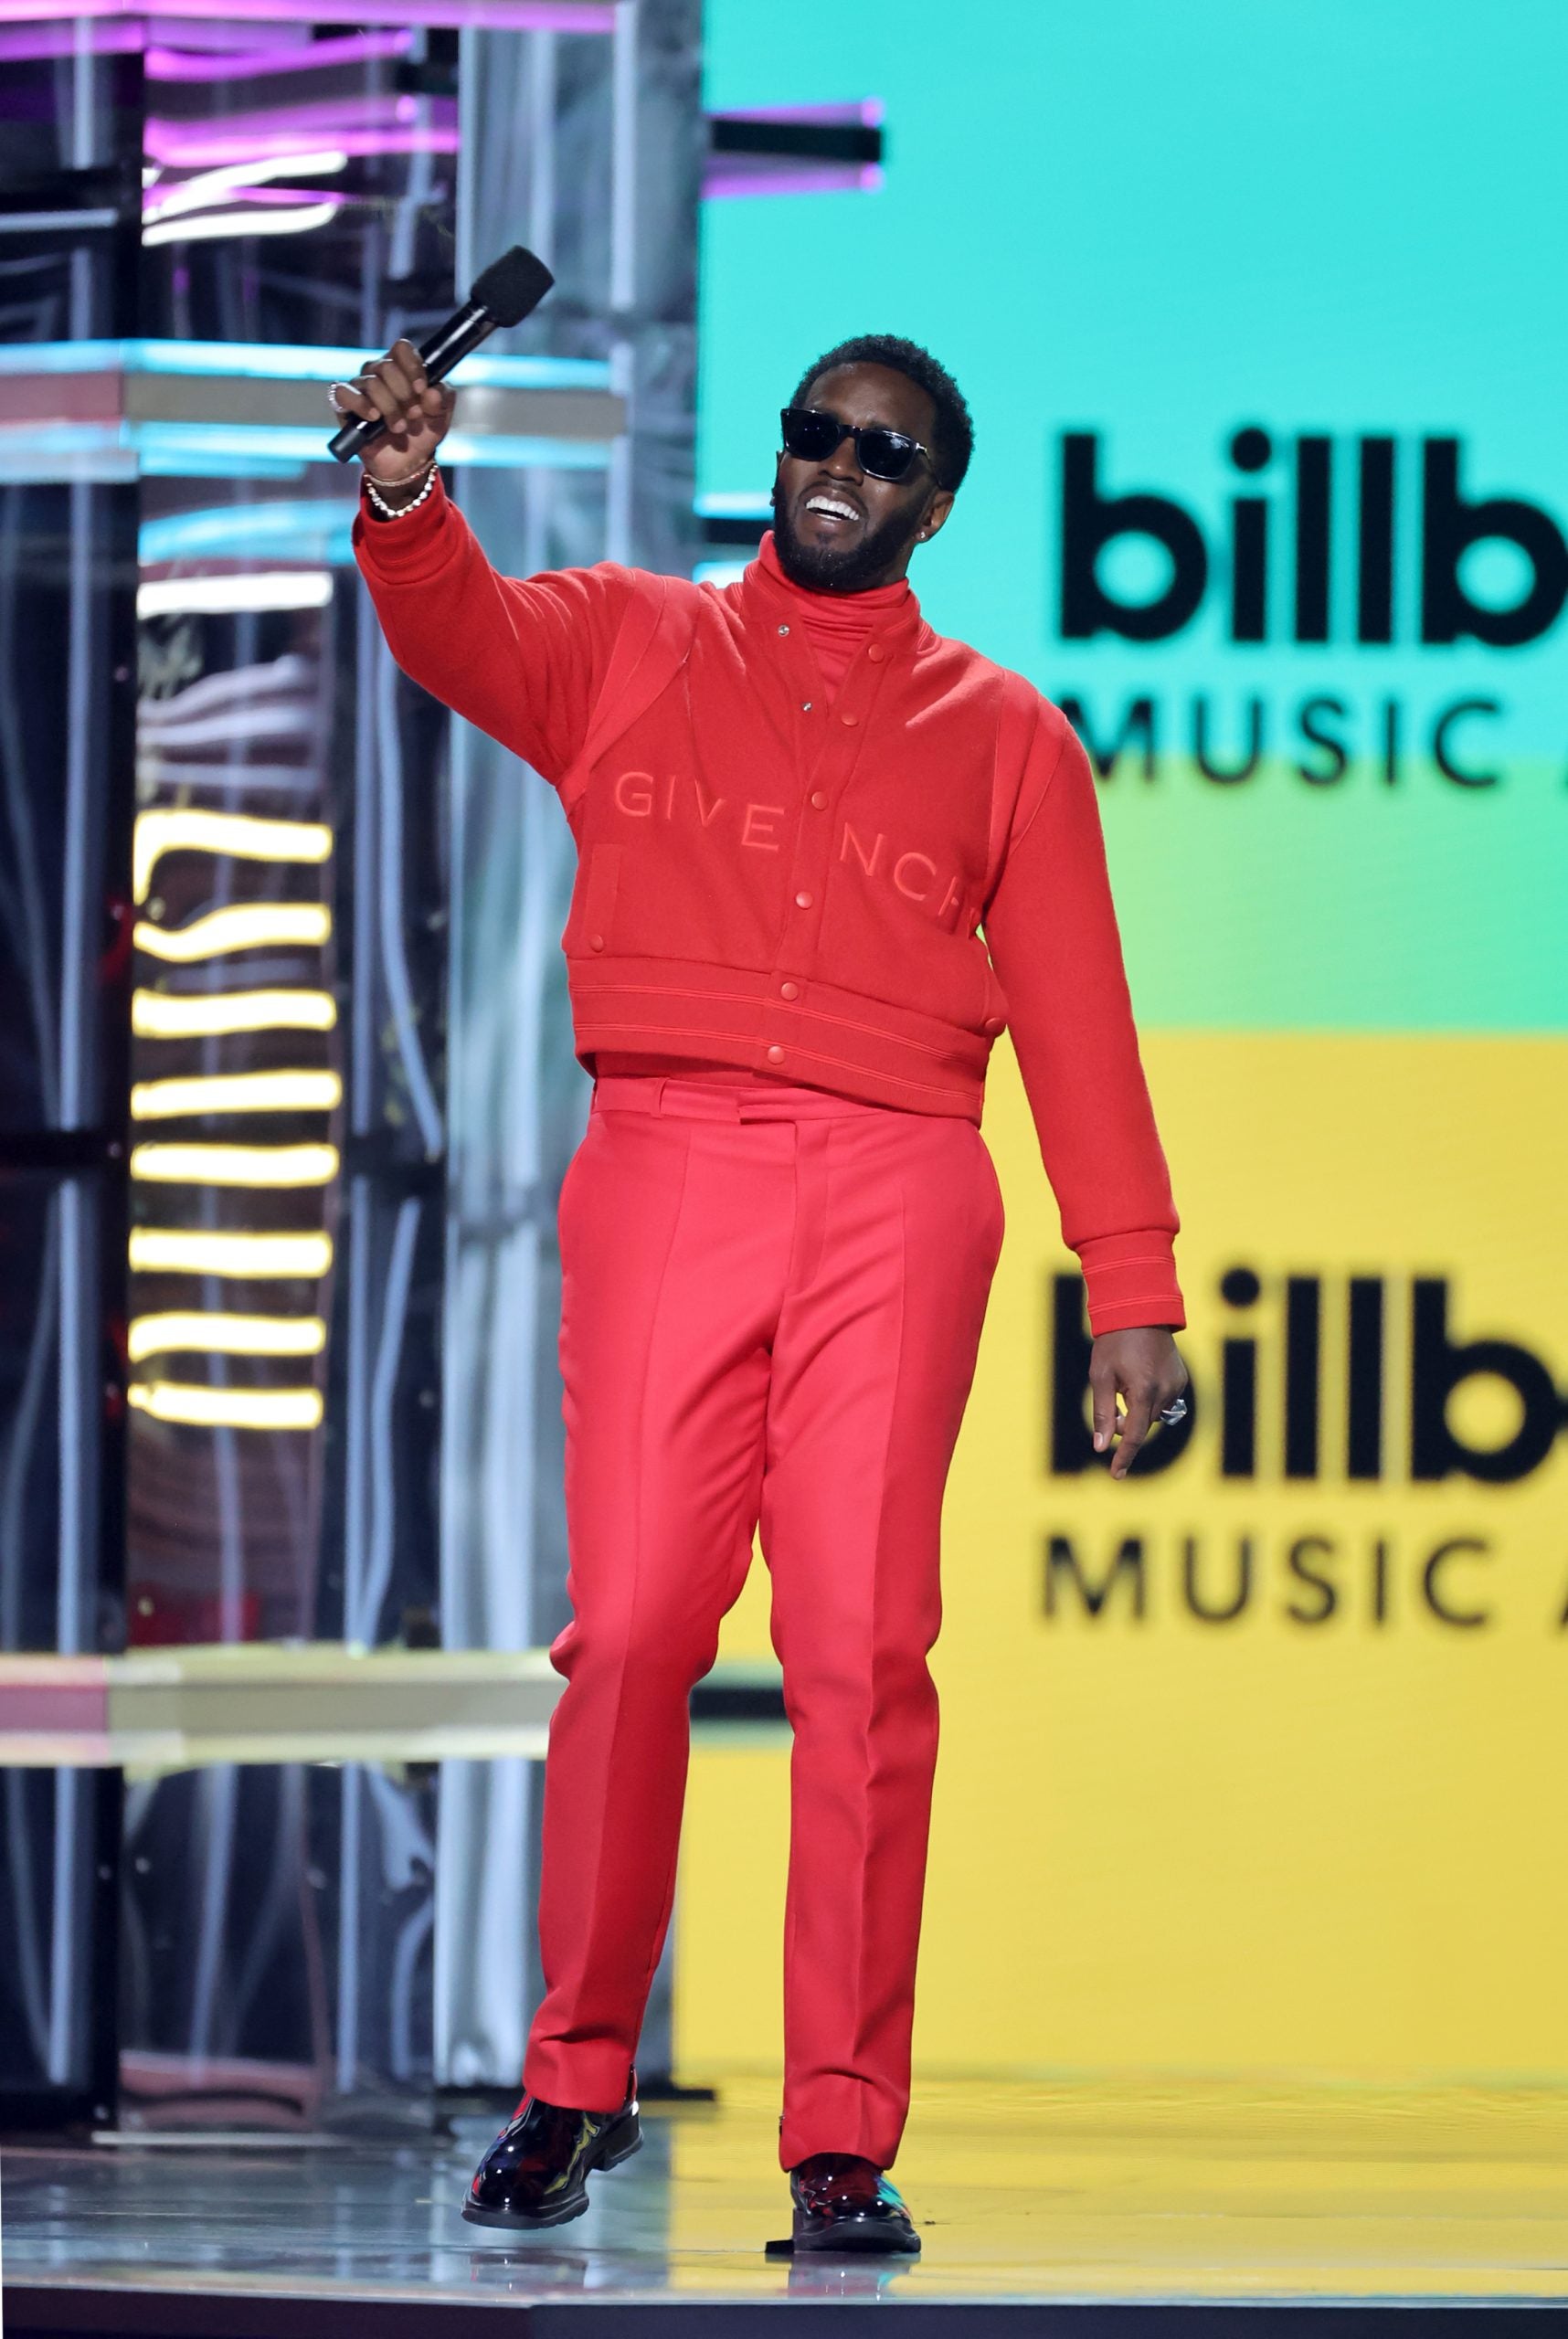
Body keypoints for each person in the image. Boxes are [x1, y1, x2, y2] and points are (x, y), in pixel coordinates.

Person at [336, 332, 1190, 2256]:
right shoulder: (633, 638)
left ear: (932, 506)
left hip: (901, 1188)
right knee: (635, 1629)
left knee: (865, 1656)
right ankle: (574, 2079)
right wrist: (403, 494)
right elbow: (460, 631)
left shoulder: (1008, 734)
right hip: (669, 1166)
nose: (838, 468)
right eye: (816, 434)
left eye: (882, 453)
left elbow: (1078, 1020)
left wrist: (1131, 1289)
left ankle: (840, 2137)